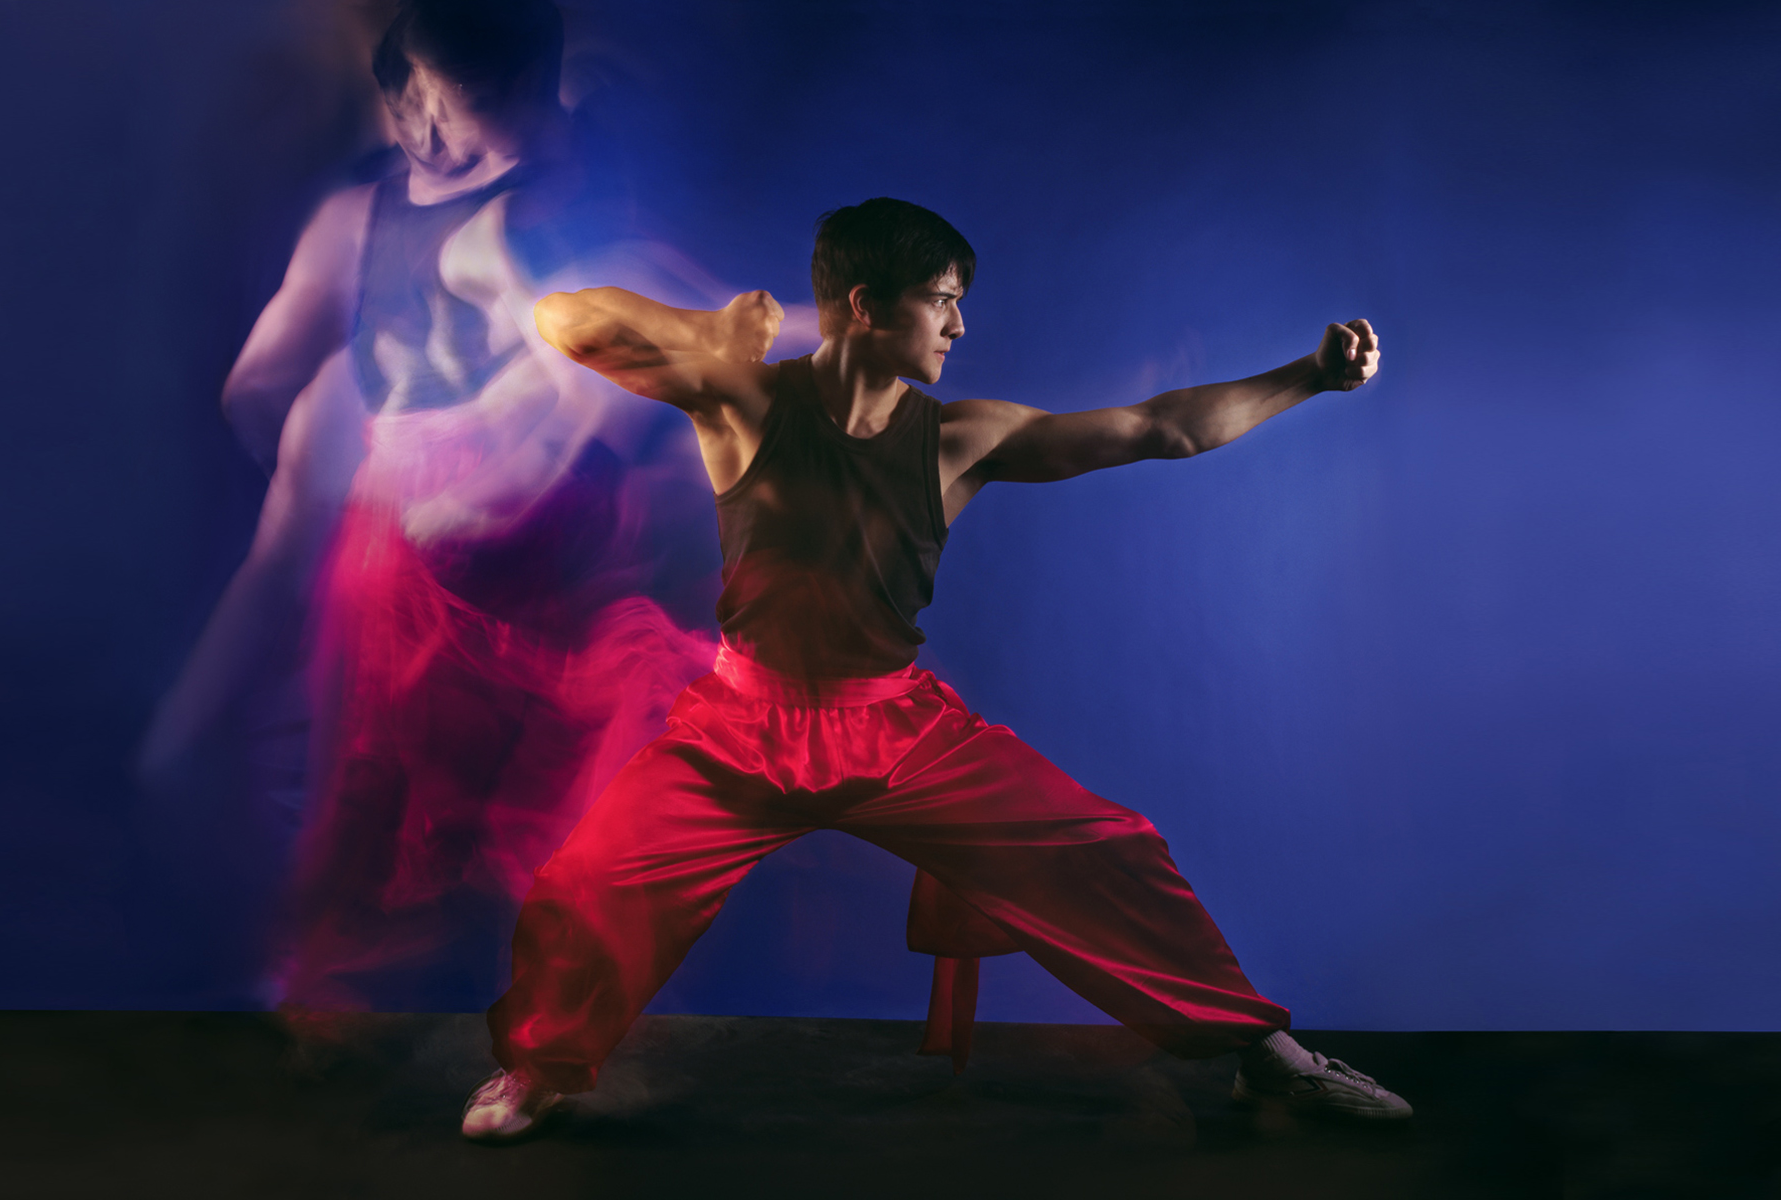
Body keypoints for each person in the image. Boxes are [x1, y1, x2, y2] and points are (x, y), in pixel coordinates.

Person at [458, 197, 1408, 1141]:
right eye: (942, 300)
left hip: (899, 733)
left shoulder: (963, 439)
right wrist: (699, 329)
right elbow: (561, 318)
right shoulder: (742, 399)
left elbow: (1160, 428)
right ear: (867, 305)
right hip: (738, 727)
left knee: (1113, 848)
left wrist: (1310, 377)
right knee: (592, 880)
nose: (960, 323)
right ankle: (534, 1068)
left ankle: (1266, 1056)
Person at [142, 0, 718, 1013]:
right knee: (412, 765)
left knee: (421, 768)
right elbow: (262, 381)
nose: (438, 128)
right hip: (438, 516)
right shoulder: (464, 218)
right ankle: (394, 969)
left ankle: (405, 972)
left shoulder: (492, 222)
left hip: (470, 516)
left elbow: (259, 383)